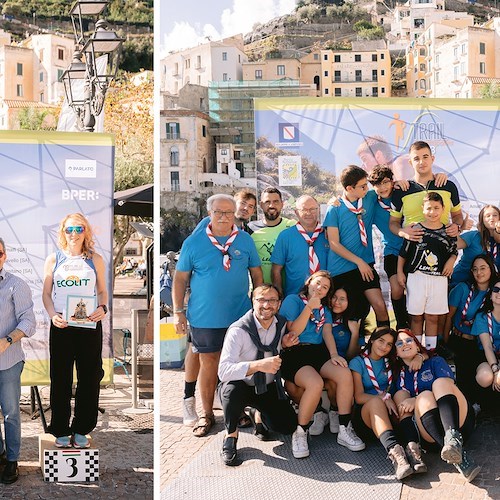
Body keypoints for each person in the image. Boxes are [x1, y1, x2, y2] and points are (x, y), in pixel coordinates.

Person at [173, 194, 263, 437]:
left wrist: (258, 303)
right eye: (218, 212)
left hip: (239, 316)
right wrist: (178, 312)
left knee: (239, 364)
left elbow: (256, 274)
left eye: (228, 212)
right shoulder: (194, 242)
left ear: (235, 213)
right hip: (205, 317)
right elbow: (180, 279)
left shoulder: (244, 240)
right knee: (209, 364)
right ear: (209, 213)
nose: (224, 217)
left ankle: (238, 410)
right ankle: (207, 415)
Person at [280, 271, 365, 459]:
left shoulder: (324, 309)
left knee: (343, 373)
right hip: (295, 352)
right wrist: (309, 307)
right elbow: (294, 331)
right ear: (309, 282)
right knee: (315, 383)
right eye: (317, 283)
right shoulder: (294, 300)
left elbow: (326, 332)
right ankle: (301, 431)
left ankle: (344, 428)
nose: (320, 288)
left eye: (325, 287)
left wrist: (334, 354)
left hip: (318, 351)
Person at [42, 213, 108, 450]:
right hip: (62, 325)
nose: (74, 234)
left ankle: (82, 428)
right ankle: (60, 427)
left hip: (89, 325)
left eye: (79, 229)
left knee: (89, 377)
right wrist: (52, 316)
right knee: (60, 378)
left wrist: (103, 308)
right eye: (69, 229)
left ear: (85, 232)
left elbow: (102, 292)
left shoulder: (95, 259)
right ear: (63, 231)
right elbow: (46, 295)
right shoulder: (53, 260)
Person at [217, 284, 298, 466]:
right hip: (241, 386)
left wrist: (284, 344)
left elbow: (278, 346)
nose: (266, 305)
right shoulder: (238, 330)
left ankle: (257, 414)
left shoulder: (282, 324)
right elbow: (223, 371)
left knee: (287, 426)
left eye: (272, 300)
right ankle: (230, 436)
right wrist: (258, 365)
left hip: (267, 388)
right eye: (261, 299)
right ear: (253, 302)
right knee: (231, 390)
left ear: (278, 304)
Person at [393, 328, 480, 482]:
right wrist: (418, 399)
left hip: (459, 422)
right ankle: (458, 457)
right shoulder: (398, 376)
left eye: (409, 340)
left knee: (439, 383)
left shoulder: (435, 361)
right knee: (424, 397)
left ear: (418, 345)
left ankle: (453, 439)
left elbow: (449, 385)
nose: (404, 344)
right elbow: (403, 409)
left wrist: (416, 398)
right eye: (399, 343)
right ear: (396, 353)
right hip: (431, 436)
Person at [324, 165, 389, 325]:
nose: (367, 188)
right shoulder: (334, 208)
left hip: (365, 266)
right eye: (362, 186)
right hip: (341, 269)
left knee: (380, 306)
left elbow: (388, 188)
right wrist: (359, 262)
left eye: (366, 184)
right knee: (346, 314)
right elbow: (333, 243)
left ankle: (385, 344)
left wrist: (402, 184)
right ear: (349, 188)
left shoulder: (369, 197)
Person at [349, 327, 414, 481]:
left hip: (390, 414)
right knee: (376, 402)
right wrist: (383, 397)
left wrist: (419, 356)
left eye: (389, 344)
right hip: (367, 416)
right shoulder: (358, 362)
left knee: (401, 397)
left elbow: (415, 353)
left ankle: (414, 448)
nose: (384, 347)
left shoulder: (392, 362)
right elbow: (358, 397)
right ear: (372, 340)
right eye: (381, 341)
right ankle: (397, 456)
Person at [397, 192, 458, 351]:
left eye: (436, 208)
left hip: (439, 279)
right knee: (416, 317)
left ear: (443, 209)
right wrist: (400, 272)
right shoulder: (415, 229)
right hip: (417, 278)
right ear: (423, 209)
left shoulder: (448, 232)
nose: (433, 212)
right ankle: (415, 351)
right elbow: (403, 254)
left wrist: (451, 261)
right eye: (429, 208)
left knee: (432, 317)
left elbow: (454, 251)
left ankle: (430, 352)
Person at [0, 238, 36, 484]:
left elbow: (29, 322)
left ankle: (12, 461)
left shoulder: (16, 285)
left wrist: (8, 340)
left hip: (9, 361)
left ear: (4, 255)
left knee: (11, 412)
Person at [444, 255, 496, 402]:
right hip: (460, 339)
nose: (479, 272)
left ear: (491, 269)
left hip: (482, 343)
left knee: (482, 375)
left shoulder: (495, 293)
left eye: (483, 268)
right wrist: (445, 341)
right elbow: (448, 317)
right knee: (463, 374)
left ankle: (481, 406)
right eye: (475, 269)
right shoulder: (462, 288)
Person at [368, 165, 408, 329]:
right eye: (377, 184)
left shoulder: (403, 192)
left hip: (412, 250)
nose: (382, 187)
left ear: (392, 181)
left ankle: (415, 328)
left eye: (385, 182)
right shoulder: (371, 200)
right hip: (391, 250)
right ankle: (401, 326)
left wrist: (404, 183)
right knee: (397, 289)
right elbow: (350, 198)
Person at [271, 195, 329, 297]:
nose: (308, 213)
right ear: (296, 212)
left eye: (312, 209)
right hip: (295, 298)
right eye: (304, 209)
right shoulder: (286, 236)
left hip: (324, 299)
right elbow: (276, 269)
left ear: (318, 210)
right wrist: (279, 296)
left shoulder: (328, 234)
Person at [247, 187, 295, 283]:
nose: (271, 205)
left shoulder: (292, 226)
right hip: (261, 292)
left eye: (276, 202)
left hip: (288, 290)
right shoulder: (250, 228)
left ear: (282, 204)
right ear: (261, 205)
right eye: (267, 202)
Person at [451, 204, 500, 288]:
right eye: (487, 216)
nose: (491, 218)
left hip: (486, 289)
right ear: (482, 220)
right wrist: (460, 228)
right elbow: (452, 244)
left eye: (495, 215)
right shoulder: (473, 236)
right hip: (459, 283)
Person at [472, 279, 500, 397]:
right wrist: (495, 370)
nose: (499, 293)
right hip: (486, 356)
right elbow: (487, 346)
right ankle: (480, 403)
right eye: (496, 290)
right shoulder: (482, 317)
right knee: (485, 377)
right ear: (490, 295)